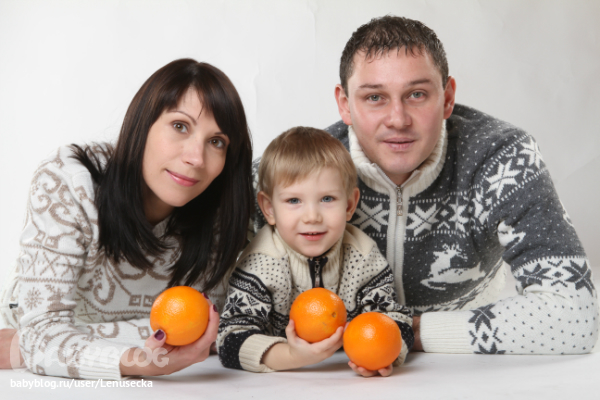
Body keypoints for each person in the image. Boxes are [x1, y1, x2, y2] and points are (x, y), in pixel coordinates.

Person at [252, 16, 598, 355]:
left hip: (465, 371)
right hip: (337, 372)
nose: (398, 119)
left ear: (447, 98)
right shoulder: (293, 172)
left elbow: (576, 314)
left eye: (416, 94)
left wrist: (404, 332)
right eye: (374, 97)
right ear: (345, 104)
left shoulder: (502, 158)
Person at [0, 58, 254, 378]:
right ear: (142, 124)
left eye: (216, 142)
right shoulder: (72, 181)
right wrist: (137, 361)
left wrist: (46, 340)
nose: (196, 158)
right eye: (180, 126)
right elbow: (41, 333)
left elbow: (218, 328)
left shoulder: (224, 207)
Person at [218, 127, 413, 376]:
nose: (312, 217)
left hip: (342, 379)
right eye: (294, 201)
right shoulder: (261, 263)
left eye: (327, 199)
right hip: (280, 381)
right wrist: (291, 356)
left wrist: (383, 355)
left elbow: (396, 319)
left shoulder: (363, 256)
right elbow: (230, 339)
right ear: (269, 209)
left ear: (349, 205)